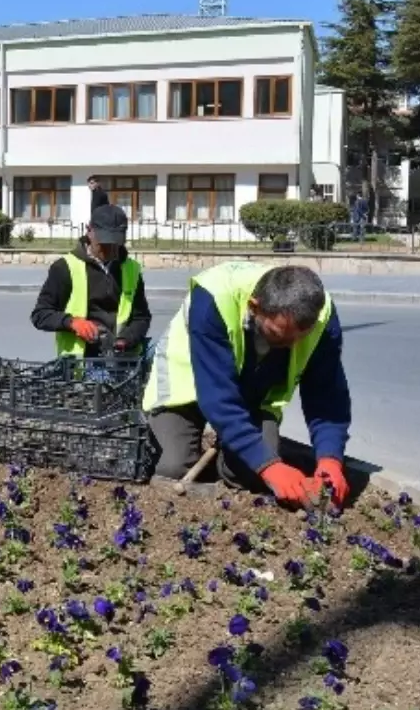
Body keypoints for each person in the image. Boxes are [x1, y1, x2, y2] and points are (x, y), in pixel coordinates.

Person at [142, 262, 352, 509]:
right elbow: (217, 396)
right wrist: (270, 466)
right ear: (255, 307)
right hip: (188, 379)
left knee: (251, 472)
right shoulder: (213, 297)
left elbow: (326, 395)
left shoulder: (321, 314)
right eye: (277, 335)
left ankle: (227, 455)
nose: (290, 347)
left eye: (299, 338)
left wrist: (330, 459)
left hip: (254, 388)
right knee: (171, 466)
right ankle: (213, 444)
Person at [30, 204, 151, 356]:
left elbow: (141, 317)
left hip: (122, 360)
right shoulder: (64, 267)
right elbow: (40, 315)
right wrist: (72, 322)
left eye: (115, 244)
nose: (109, 249)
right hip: (80, 365)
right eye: (104, 243)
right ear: (89, 231)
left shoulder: (131, 269)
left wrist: (125, 340)